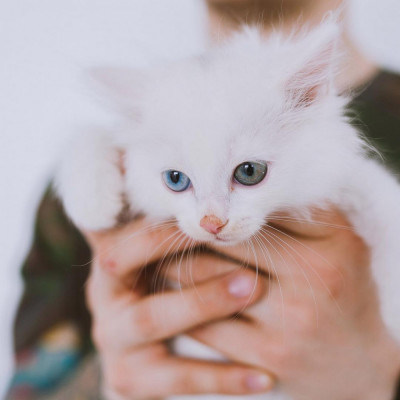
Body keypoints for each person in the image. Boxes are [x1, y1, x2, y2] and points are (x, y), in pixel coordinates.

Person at [8, 0, 400, 399]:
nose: (213, 220)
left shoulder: (336, 158)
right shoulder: (104, 173)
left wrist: (379, 378)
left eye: (249, 172)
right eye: (177, 180)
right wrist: (111, 384)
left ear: (311, 92)